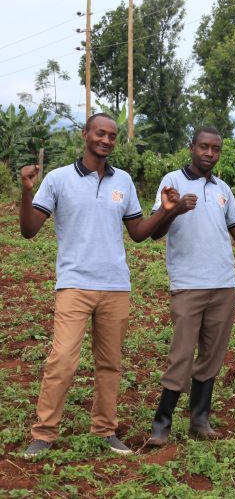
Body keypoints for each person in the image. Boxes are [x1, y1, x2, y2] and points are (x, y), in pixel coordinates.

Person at [18, 113, 182, 458]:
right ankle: (44, 434)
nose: (106, 140)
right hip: (74, 284)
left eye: (112, 135)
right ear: (85, 135)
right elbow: (29, 229)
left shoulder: (122, 180)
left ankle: (105, 430)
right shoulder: (58, 179)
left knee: (109, 364)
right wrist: (27, 190)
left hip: (115, 285)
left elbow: (138, 233)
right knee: (62, 359)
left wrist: (167, 211)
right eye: (100, 133)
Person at [146, 127, 235, 446]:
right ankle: (161, 424)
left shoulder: (223, 189)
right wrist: (173, 209)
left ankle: (199, 419)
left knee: (211, 356)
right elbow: (154, 232)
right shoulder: (172, 181)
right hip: (188, 285)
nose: (209, 153)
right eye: (204, 147)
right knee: (181, 355)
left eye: (215, 149)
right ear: (191, 147)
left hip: (223, 283)